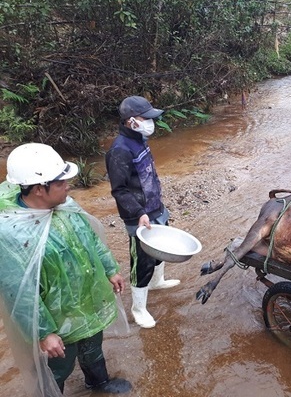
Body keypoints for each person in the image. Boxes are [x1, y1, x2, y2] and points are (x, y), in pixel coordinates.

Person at [0, 143, 132, 395]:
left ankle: (98, 382)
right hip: (55, 319)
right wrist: (44, 332)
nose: (68, 186)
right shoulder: (12, 233)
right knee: (57, 367)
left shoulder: (64, 206)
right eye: (61, 183)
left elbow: (91, 240)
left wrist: (110, 269)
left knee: (93, 347)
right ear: (39, 189)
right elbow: (19, 292)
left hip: (87, 301)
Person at [105, 96, 179, 329]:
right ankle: (138, 308)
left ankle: (157, 282)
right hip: (138, 216)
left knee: (161, 249)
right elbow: (119, 190)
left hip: (154, 207)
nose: (150, 122)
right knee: (142, 261)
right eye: (145, 118)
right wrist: (138, 212)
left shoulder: (140, 139)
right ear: (130, 121)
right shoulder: (119, 151)